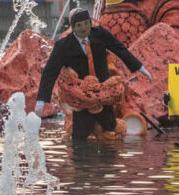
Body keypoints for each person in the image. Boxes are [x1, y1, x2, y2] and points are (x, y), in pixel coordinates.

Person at [34, 8, 153, 140]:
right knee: (80, 135)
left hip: (104, 92)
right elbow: (50, 72)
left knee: (110, 129)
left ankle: (109, 154)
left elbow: (119, 49)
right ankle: (81, 155)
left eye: (86, 24)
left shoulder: (100, 34)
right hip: (81, 96)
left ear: (90, 23)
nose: (83, 28)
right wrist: (41, 101)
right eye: (79, 26)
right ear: (73, 28)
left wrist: (140, 67)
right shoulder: (63, 45)